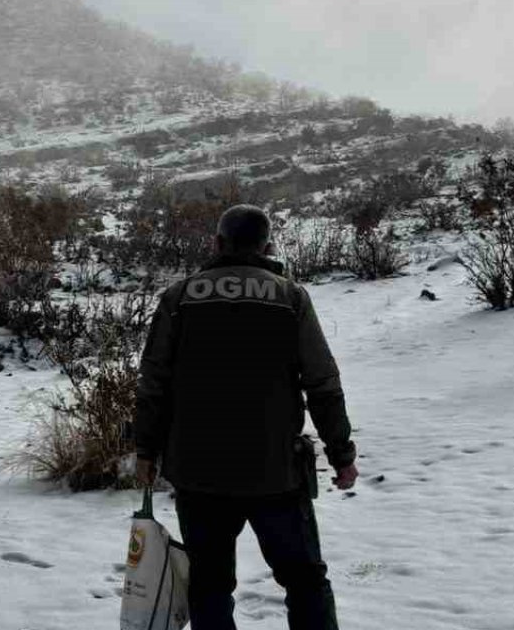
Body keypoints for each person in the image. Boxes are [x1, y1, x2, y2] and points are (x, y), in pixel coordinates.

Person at [134, 205, 359, 630]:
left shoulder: (179, 297)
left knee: (209, 584)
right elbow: (323, 383)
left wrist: (145, 450)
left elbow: (153, 383)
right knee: (306, 579)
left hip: (198, 472)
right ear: (267, 245)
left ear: (217, 244)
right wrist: (341, 454)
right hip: (275, 471)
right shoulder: (290, 297)